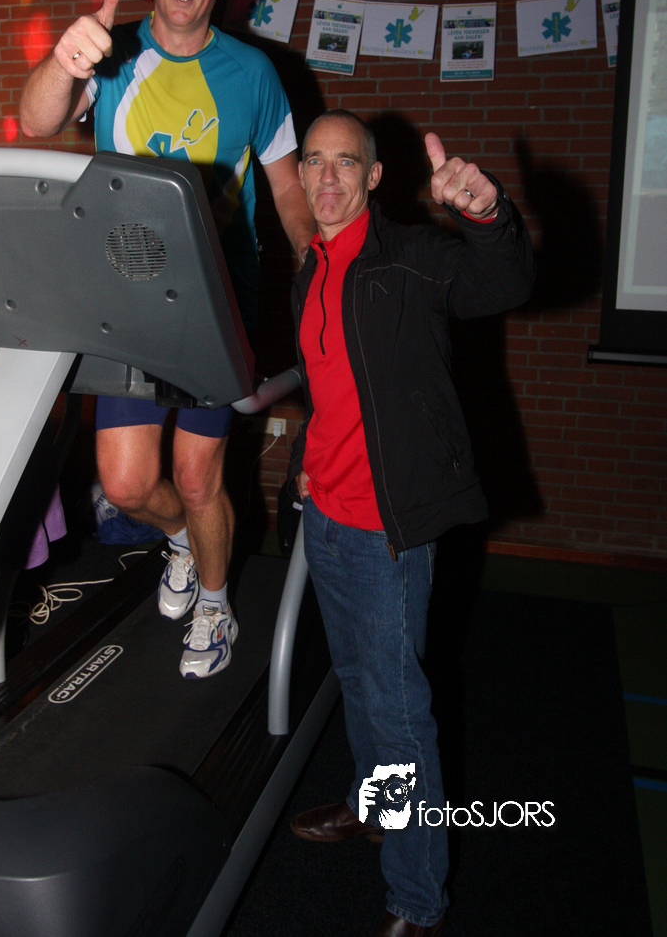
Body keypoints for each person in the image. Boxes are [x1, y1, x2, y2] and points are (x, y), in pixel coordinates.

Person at [19, 0, 314, 678]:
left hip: (215, 299)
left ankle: (215, 605)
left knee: (194, 474)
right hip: (125, 294)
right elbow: (36, 120)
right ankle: (183, 538)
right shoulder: (109, 51)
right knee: (124, 485)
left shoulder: (254, 74)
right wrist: (64, 61)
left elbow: (287, 188)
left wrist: (319, 263)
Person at [286, 110, 535, 937]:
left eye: (344, 162)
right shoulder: (310, 265)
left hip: (385, 531)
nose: (326, 177)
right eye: (313, 161)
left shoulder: (412, 256)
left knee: (397, 710)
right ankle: (377, 809)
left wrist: (486, 214)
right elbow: (325, 386)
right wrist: (304, 468)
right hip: (324, 516)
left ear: (373, 176)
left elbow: (502, 284)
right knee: (356, 683)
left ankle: (417, 900)